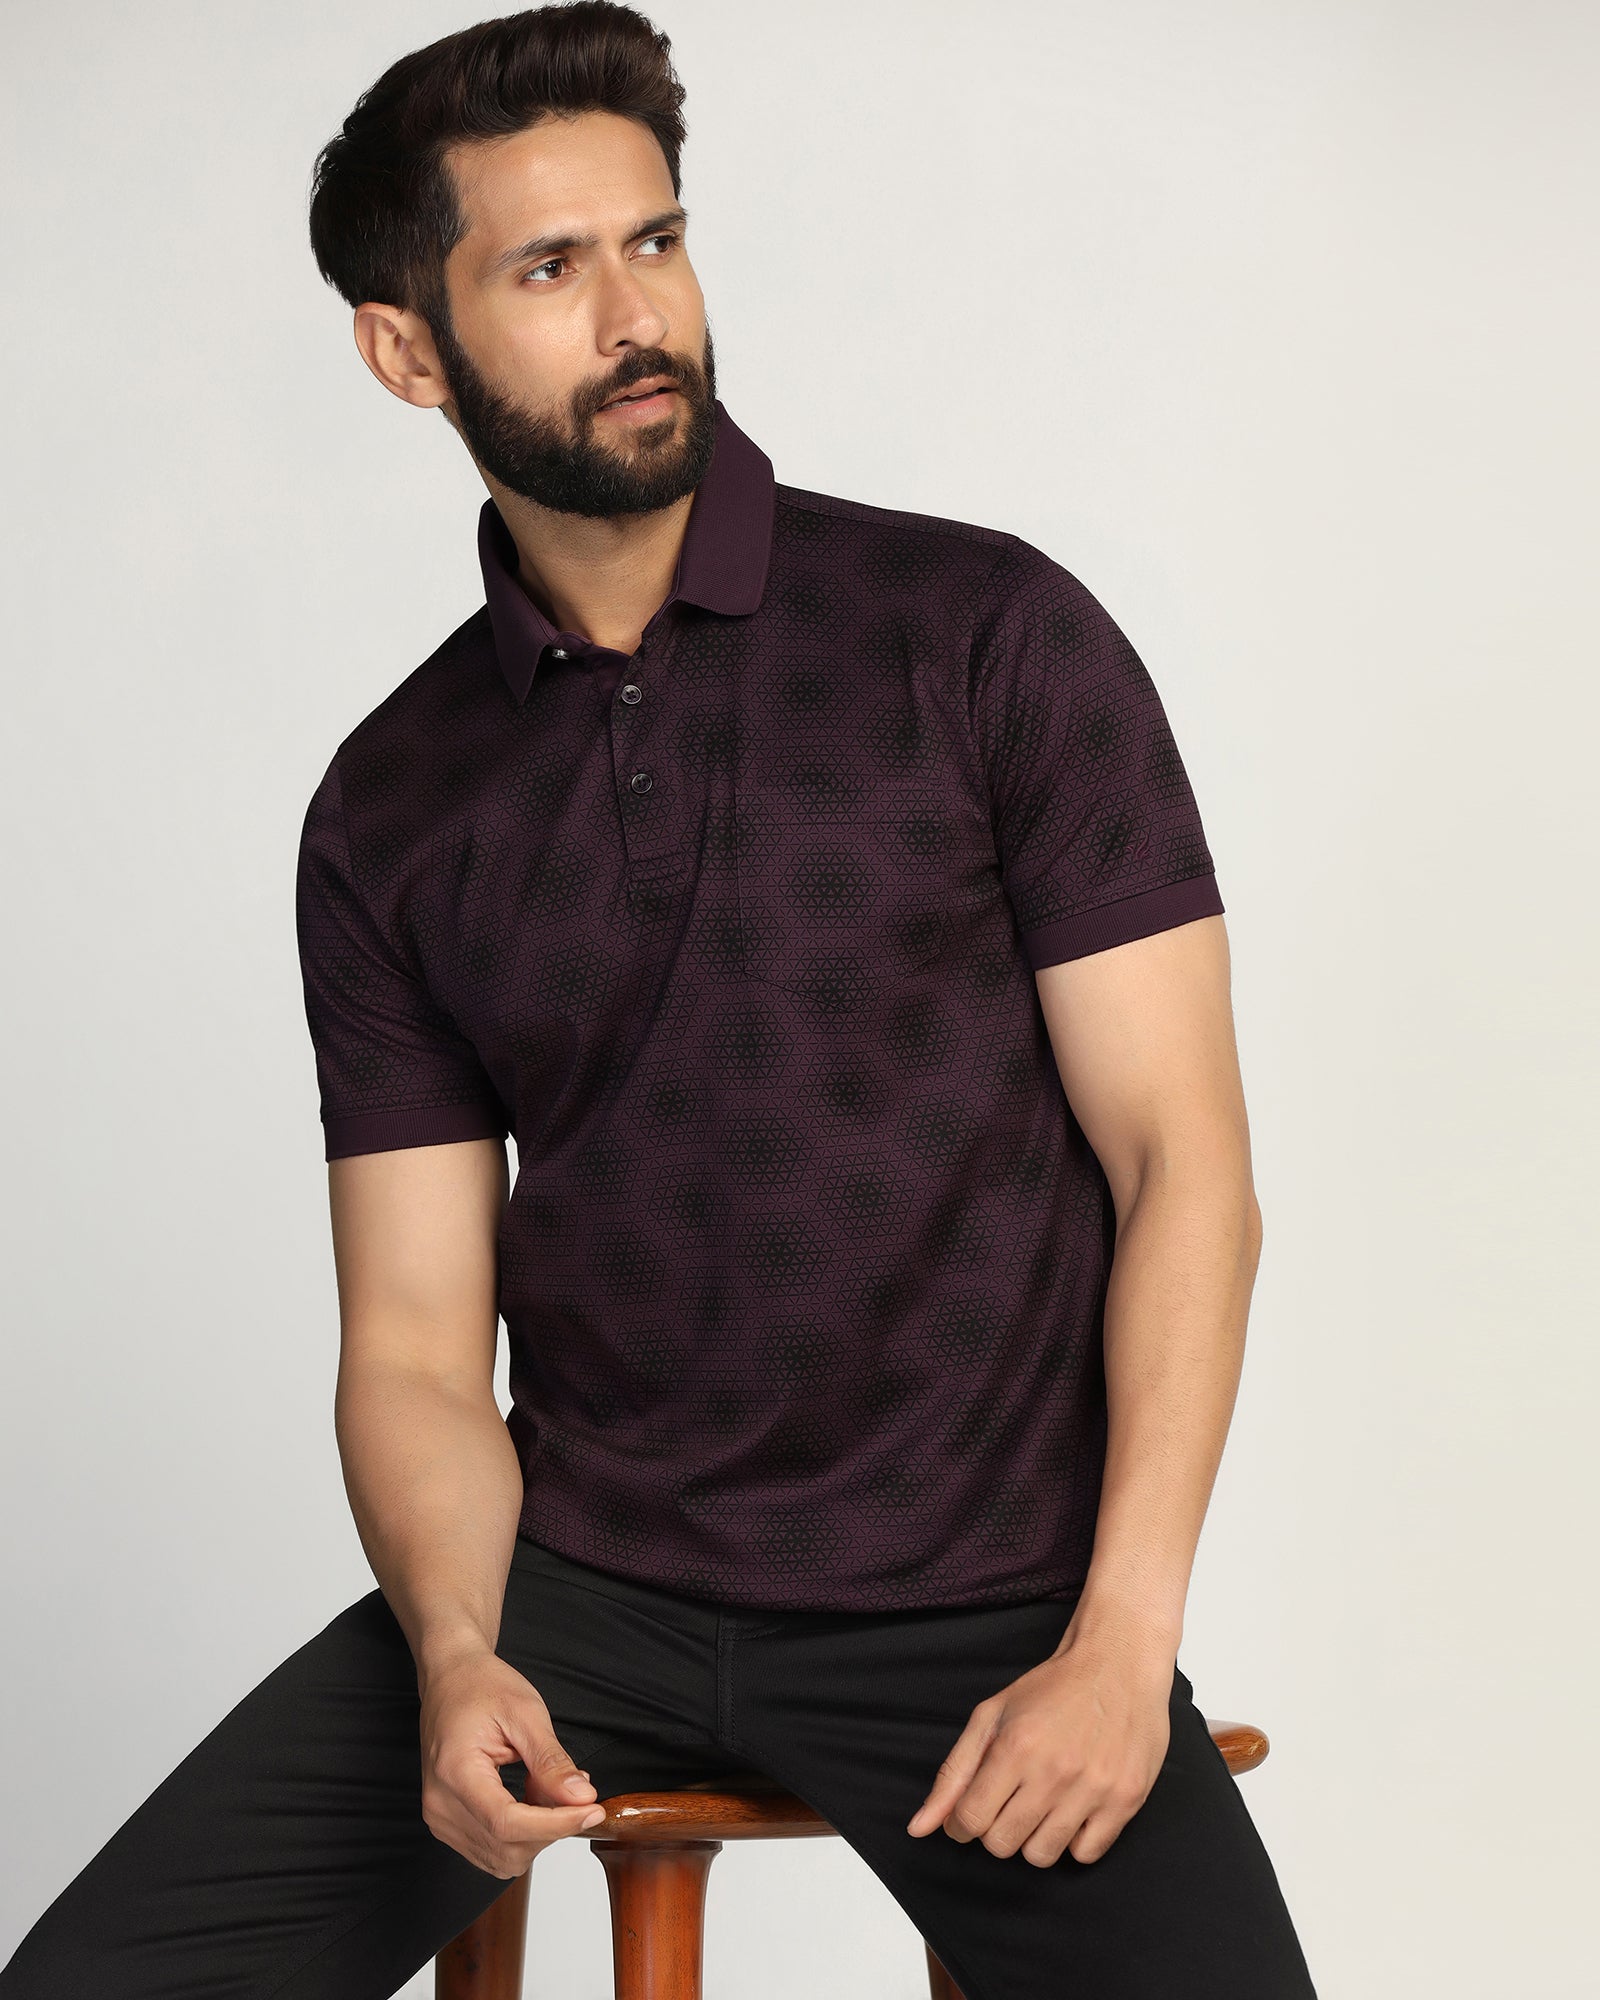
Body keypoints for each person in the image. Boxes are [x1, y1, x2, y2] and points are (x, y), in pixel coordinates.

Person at [0, 5, 1318, 1994]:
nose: (639, 317)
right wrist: (460, 1653)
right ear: (407, 350)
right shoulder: (391, 804)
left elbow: (1183, 1168)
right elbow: (417, 1348)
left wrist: (1121, 1638)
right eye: (548, 268)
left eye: (657, 241)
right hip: (579, 1599)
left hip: (982, 1601)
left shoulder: (987, 637)